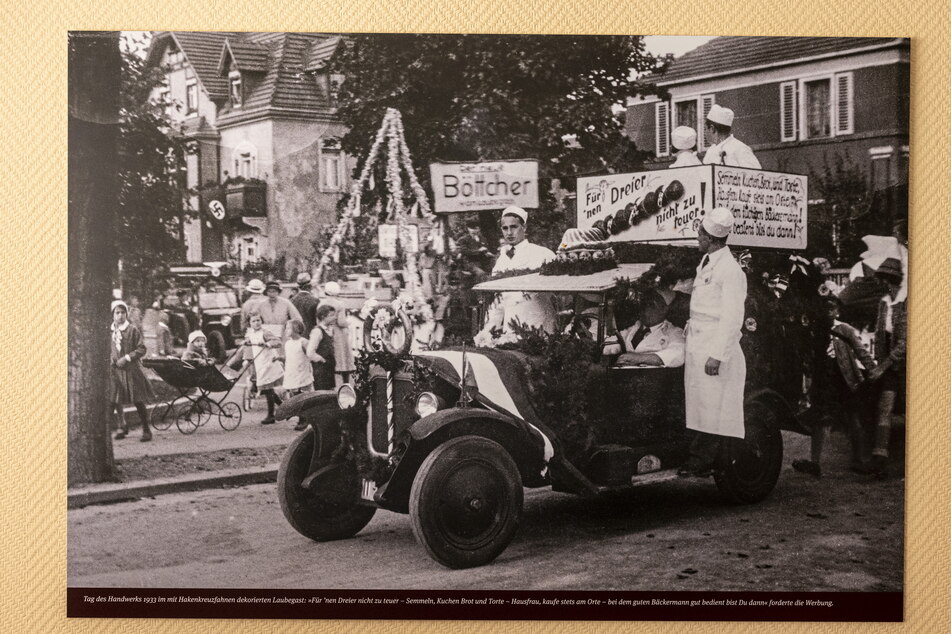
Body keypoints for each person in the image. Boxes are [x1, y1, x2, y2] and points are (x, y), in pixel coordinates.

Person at [680, 207, 748, 477]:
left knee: (712, 405)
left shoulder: (730, 270)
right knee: (700, 403)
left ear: (710, 238)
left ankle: (705, 459)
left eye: (699, 234)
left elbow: (733, 317)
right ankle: (702, 456)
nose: (697, 238)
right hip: (698, 339)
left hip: (713, 344)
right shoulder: (708, 263)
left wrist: (718, 355)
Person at [792, 299, 877, 478]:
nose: (828, 312)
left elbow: (860, 351)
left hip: (844, 379)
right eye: (825, 308)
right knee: (820, 420)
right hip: (824, 381)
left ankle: (861, 461)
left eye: (832, 308)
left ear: (837, 311)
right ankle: (815, 463)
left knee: (853, 418)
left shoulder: (844, 329)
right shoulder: (815, 331)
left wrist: (874, 371)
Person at [476, 206, 557, 342]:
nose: (509, 232)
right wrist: (488, 331)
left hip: (539, 322)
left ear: (524, 227)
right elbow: (497, 302)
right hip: (511, 328)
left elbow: (556, 295)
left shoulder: (543, 254)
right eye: (505, 228)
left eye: (514, 227)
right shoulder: (501, 260)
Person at [866, 257, 906, 478]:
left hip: (908, 365)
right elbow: (881, 336)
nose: (884, 284)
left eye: (886, 280)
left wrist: (883, 366)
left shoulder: (906, 303)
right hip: (890, 364)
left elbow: (905, 343)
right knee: (885, 407)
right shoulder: (883, 303)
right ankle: (879, 459)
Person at [109, 300, 155, 442]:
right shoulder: (110, 331)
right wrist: (111, 358)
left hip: (130, 370)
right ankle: (121, 426)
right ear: (113, 314)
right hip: (115, 370)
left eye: (123, 312)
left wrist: (127, 358)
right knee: (114, 400)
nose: (120, 316)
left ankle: (146, 429)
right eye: (117, 313)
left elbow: (141, 348)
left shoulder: (132, 330)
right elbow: (108, 348)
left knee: (137, 399)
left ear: (126, 314)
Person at [608, 290, 686, 368]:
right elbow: (614, 341)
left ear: (664, 309)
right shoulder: (634, 328)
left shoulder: (674, 332)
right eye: (643, 305)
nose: (645, 309)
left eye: (651, 305)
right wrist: (611, 349)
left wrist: (640, 358)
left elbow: (678, 353)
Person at [242, 311, 284, 425]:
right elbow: (252, 340)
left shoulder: (265, 333)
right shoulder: (251, 334)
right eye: (253, 321)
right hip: (260, 364)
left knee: (268, 388)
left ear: (262, 321)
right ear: (249, 323)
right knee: (266, 389)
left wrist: (268, 344)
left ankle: (271, 415)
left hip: (268, 364)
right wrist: (247, 342)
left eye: (258, 320)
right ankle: (284, 408)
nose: (256, 323)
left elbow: (278, 342)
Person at [702, 105, 761, 169]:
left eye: (705, 129)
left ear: (712, 129)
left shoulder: (741, 149)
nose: (705, 133)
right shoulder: (710, 151)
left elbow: (756, 175)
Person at [320, 281, 356, 384]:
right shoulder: (339, 304)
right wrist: (349, 322)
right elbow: (341, 322)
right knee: (343, 358)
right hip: (338, 334)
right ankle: (346, 383)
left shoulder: (321, 303)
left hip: (326, 332)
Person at [307, 304, 337, 391]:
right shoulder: (317, 332)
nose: (335, 317)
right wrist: (322, 360)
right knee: (321, 391)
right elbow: (310, 352)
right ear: (323, 317)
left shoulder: (330, 330)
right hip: (320, 368)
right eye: (331, 315)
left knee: (330, 391)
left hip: (329, 367)